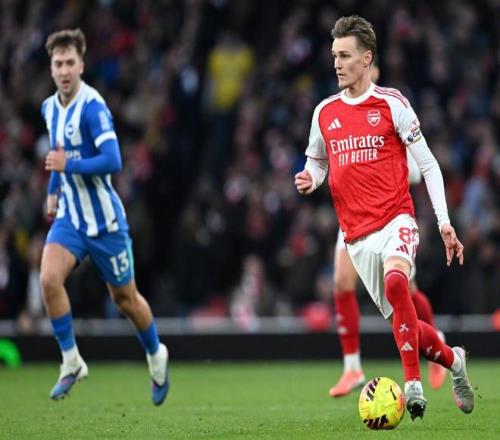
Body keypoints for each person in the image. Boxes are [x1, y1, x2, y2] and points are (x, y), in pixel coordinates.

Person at [295, 16, 473, 420]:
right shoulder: (324, 112)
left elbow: (428, 165)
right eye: (334, 55)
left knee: (397, 282)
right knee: (406, 324)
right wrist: (310, 178)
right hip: (356, 235)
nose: (337, 63)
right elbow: (317, 162)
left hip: (396, 219)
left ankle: (412, 385)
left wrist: (443, 221)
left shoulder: (393, 104)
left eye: (345, 56)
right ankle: (454, 360)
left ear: (366, 59)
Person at [40, 29, 169, 405]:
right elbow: (59, 152)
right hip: (71, 218)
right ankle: (71, 361)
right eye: (58, 63)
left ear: (81, 65)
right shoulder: (49, 108)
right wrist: (53, 190)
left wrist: (68, 166)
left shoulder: (93, 107)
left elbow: (113, 161)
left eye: (70, 63)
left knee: (125, 299)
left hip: (105, 223)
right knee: (48, 279)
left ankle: (156, 353)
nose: (65, 70)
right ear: (51, 68)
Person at [329, 64, 447, 398]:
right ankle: (352, 366)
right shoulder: (336, 112)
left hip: (390, 216)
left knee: (405, 291)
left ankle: (436, 346)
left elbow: (417, 170)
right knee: (341, 281)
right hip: (353, 217)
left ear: (371, 67)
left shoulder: (391, 108)